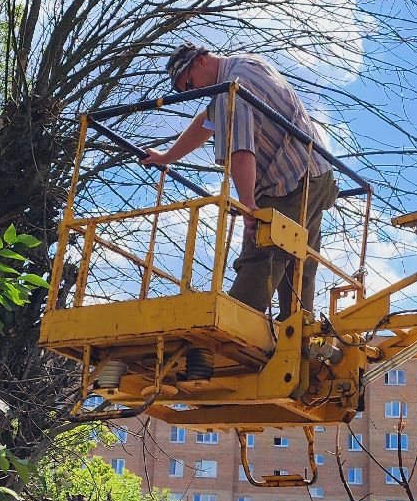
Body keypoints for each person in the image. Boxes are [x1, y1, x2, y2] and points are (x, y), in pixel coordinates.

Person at [139, 43, 338, 317]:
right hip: (318, 173)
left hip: (288, 182)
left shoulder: (230, 92)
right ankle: (298, 333)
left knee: (263, 252)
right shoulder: (248, 63)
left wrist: (248, 207)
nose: (191, 91)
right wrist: (167, 157)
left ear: (199, 61)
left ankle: (233, 325)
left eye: (188, 83)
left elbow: (241, 152)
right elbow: (207, 122)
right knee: (298, 258)